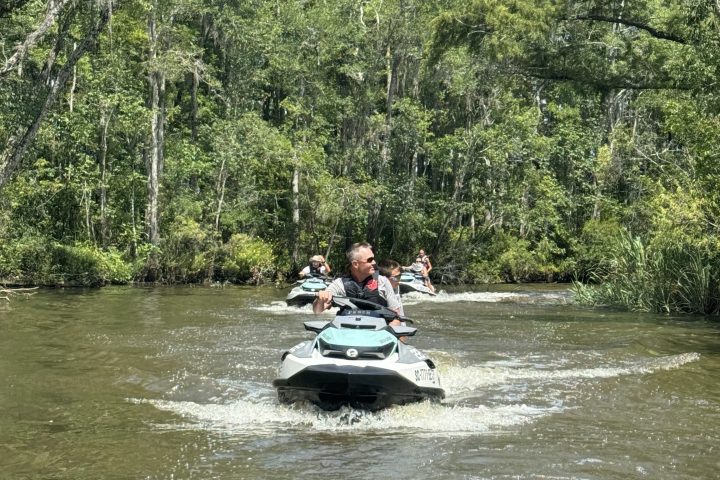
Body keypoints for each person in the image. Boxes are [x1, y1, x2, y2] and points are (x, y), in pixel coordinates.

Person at [314, 242, 402, 325]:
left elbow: (396, 317)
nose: (374, 263)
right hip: (348, 332)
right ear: (355, 264)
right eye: (370, 260)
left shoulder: (383, 281)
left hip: (378, 334)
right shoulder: (339, 284)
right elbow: (317, 311)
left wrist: (389, 332)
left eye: (373, 258)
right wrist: (320, 299)